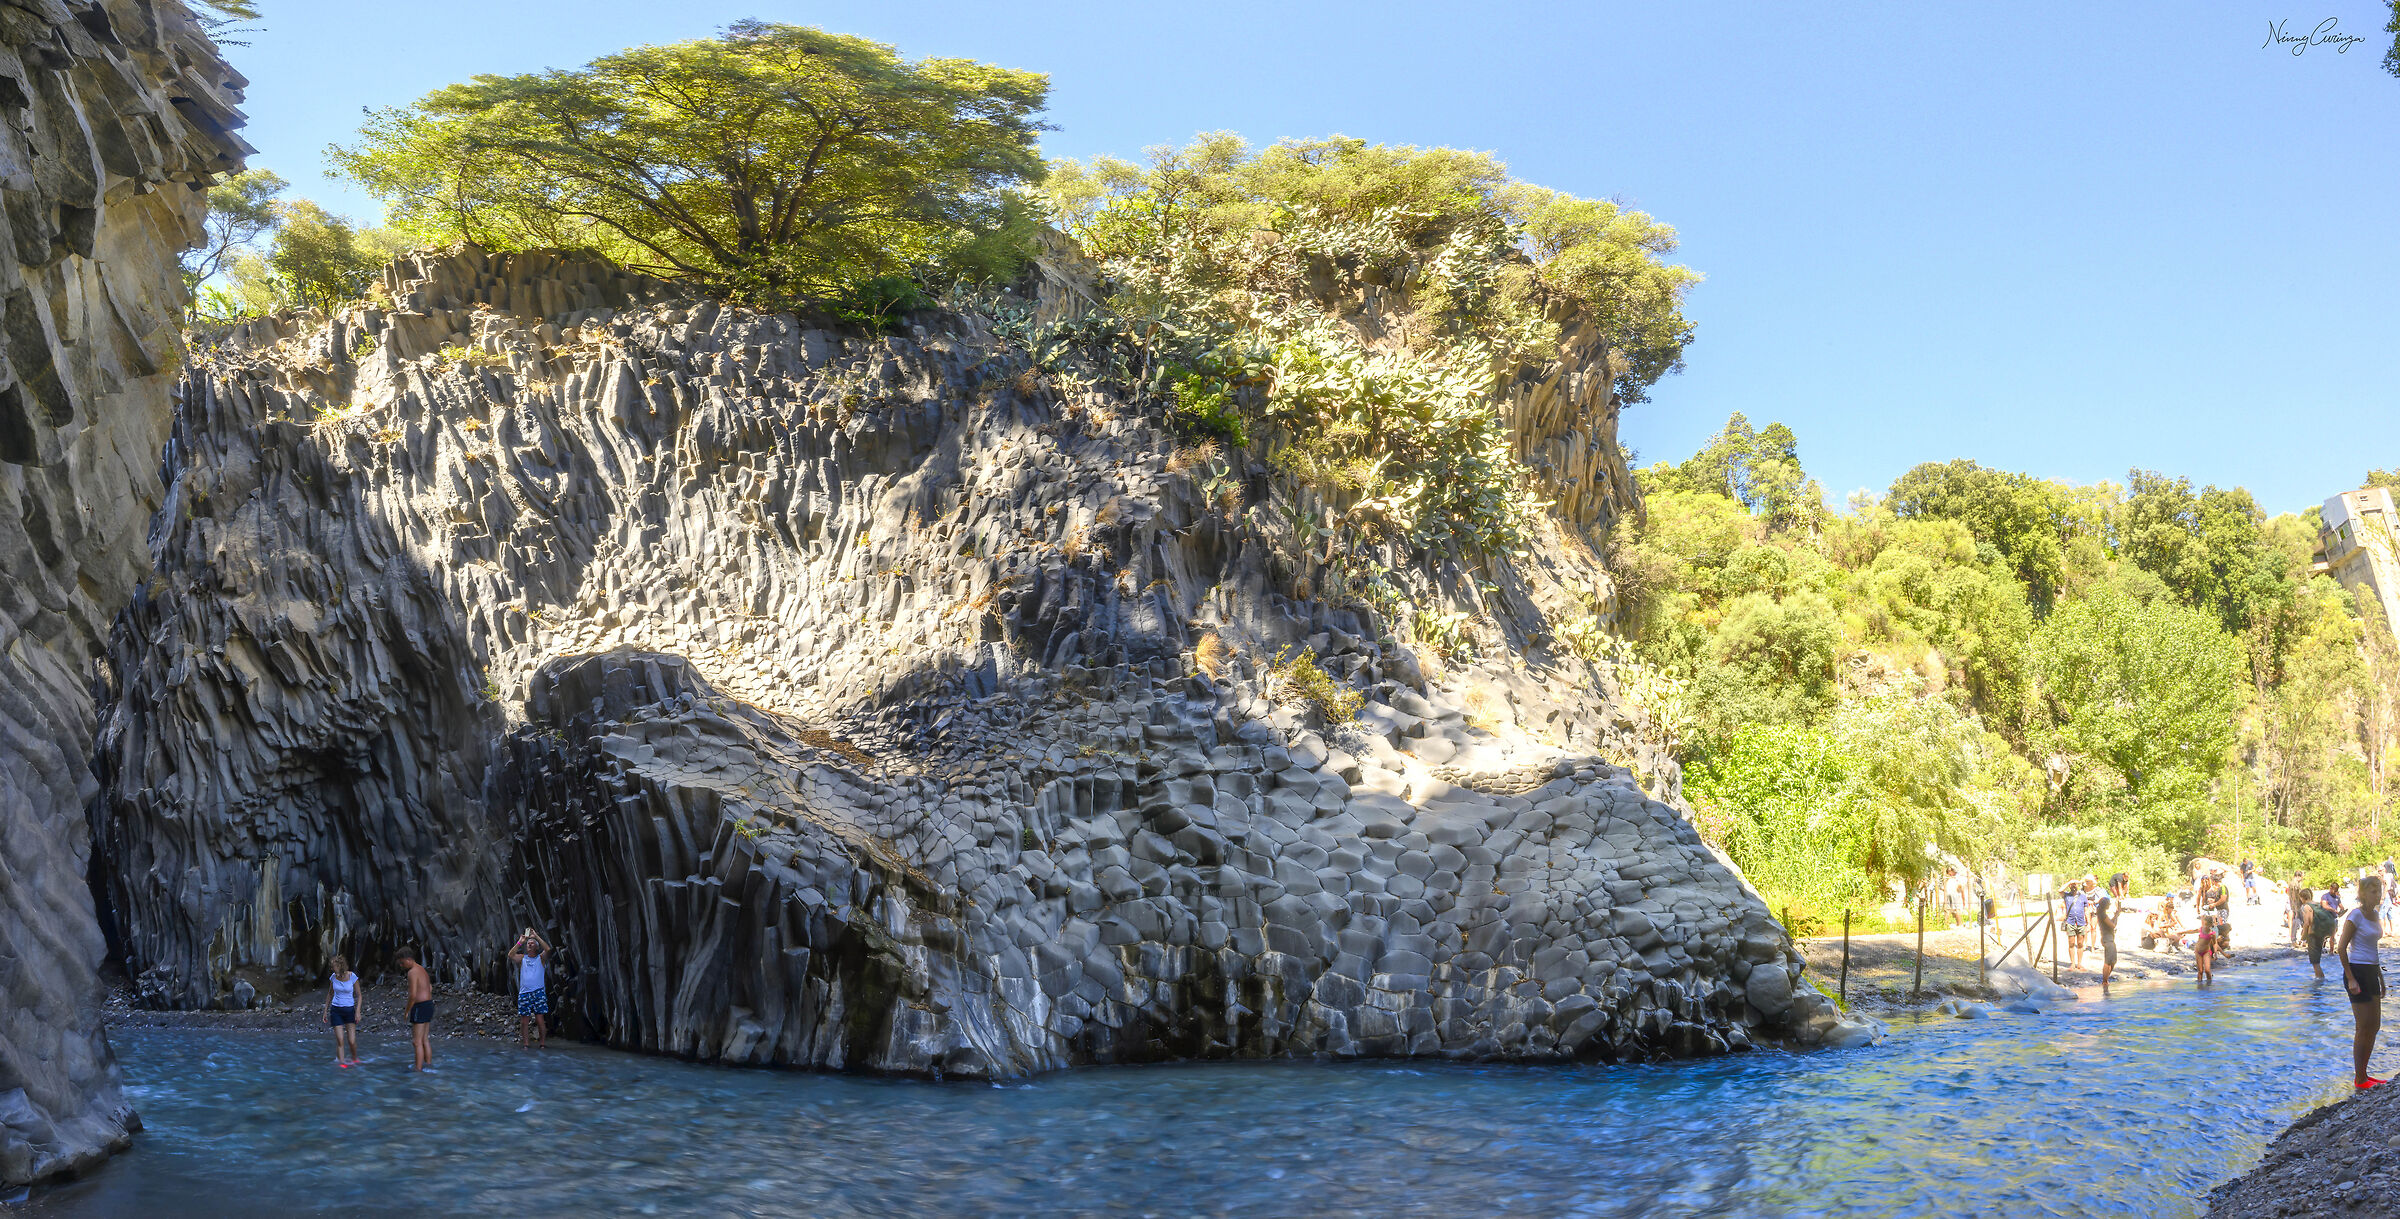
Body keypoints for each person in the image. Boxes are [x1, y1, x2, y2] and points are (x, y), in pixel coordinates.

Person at [2337, 873, 2388, 1089]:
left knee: (2374, 1025)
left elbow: (2373, 949)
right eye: (2373, 891)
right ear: (2363, 893)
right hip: (2356, 971)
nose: (2378, 894)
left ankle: (2365, 1074)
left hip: (2371, 972)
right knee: (2362, 1027)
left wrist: (2381, 978)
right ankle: (2359, 1079)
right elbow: (2341, 948)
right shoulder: (2355, 916)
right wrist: (2350, 978)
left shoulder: (2375, 915)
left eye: (2380, 890)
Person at [509, 927, 552, 1050]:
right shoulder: (523, 958)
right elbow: (511, 955)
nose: (529, 944)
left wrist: (536, 936)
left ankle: (542, 1043)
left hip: (538, 992)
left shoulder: (541, 959)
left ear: (536, 947)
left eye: (532, 943)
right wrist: (520, 941)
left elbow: (548, 949)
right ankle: (526, 1044)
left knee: (540, 1019)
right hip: (524, 993)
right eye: (528, 943)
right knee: (524, 1021)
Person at [396, 946, 434, 1072]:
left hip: (420, 1006)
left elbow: (412, 995)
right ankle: (428, 1065)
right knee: (425, 1039)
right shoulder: (422, 969)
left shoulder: (412, 972)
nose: (401, 966)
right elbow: (430, 988)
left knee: (416, 1042)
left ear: (408, 959)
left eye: (402, 963)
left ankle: (418, 1071)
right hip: (429, 1004)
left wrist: (407, 1011)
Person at [326, 955, 362, 1067]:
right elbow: (330, 993)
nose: (332, 969)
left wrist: (357, 1011)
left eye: (334, 967)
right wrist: (325, 1010)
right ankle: (341, 1064)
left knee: (351, 1041)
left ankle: (355, 1059)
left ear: (340, 966)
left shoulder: (352, 976)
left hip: (349, 1010)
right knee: (340, 1040)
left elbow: (359, 995)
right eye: (332, 967)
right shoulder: (333, 977)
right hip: (336, 1010)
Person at [2307, 891, 2339, 980]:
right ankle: (2320, 978)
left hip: (2313, 934)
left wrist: (2303, 936)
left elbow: (2307, 922)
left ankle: (2319, 979)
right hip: (2322, 932)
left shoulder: (2307, 906)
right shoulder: (2317, 905)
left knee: (2315, 962)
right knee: (2317, 960)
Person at [2095, 877, 2122, 984]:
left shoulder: (2102, 914)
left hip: (2109, 939)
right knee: (2108, 961)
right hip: (2108, 940)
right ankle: (2105, 981)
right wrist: (2116, 916)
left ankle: (2106, 980)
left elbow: (2112, 923)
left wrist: (2116, 914)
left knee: (2113, 961)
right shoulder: (2103, 915)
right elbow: (2112, 925)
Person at [2062, 880, 2091, 970]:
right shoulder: (2066, 896)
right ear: (2069, 886)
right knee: (2071, 944)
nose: (2074, 887)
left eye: (2075, 885)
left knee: (2080, 944)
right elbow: (2060, 890)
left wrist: (2089, 923)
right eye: (2072, 885)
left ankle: (2079, 963)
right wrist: (2070, 882)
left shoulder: (2083, 897)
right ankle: (2072, 964)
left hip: (2081, 922)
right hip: (2070, 922)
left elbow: (2086, 910)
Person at [2289, 870, 2313, 948]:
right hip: (2297, 906)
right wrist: (2296, 909)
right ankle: (2296, 940)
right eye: (2302, 876)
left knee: (2303, 923)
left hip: (2297, 906)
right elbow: (2294, 897)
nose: (2303, 878)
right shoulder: (2295, 884)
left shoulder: (2293, 883)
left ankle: (2302, 940)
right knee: (2299, 922)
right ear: (2299, 876)